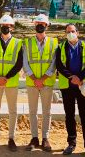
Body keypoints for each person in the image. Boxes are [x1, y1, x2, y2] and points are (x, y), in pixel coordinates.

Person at [55, 24, 85, 157]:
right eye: (68, 32)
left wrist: (80, 77)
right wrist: (71, 77)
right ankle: (71, 143)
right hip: (68, 86)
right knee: (69, 115)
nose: (70, 33)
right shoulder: (60, 47)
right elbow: (59, 66)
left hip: (83, 86)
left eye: (73, 31)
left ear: (78, 33)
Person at [0, 15, 23, 152]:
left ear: (12, 27)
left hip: (11, 82)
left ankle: (11, 138)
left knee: (13, 111)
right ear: (0, 26)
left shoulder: (18, 43)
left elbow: (19, 63)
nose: (6, 28)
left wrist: (6, 77)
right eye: (3, 25)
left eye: (8, 26)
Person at [23, 14, 58, 152]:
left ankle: (45, 138)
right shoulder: (27, 42)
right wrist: (34, 79)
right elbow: (25, 63)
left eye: (42, 23)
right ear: (34, 25)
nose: (40, 25)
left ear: (47, 26)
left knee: (46, 111)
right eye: (38, 23)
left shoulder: (54, 43)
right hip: (32, 83)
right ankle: (34, 138)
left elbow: (54, 63)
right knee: (32, 111)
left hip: (46, 83)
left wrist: (42, 79)